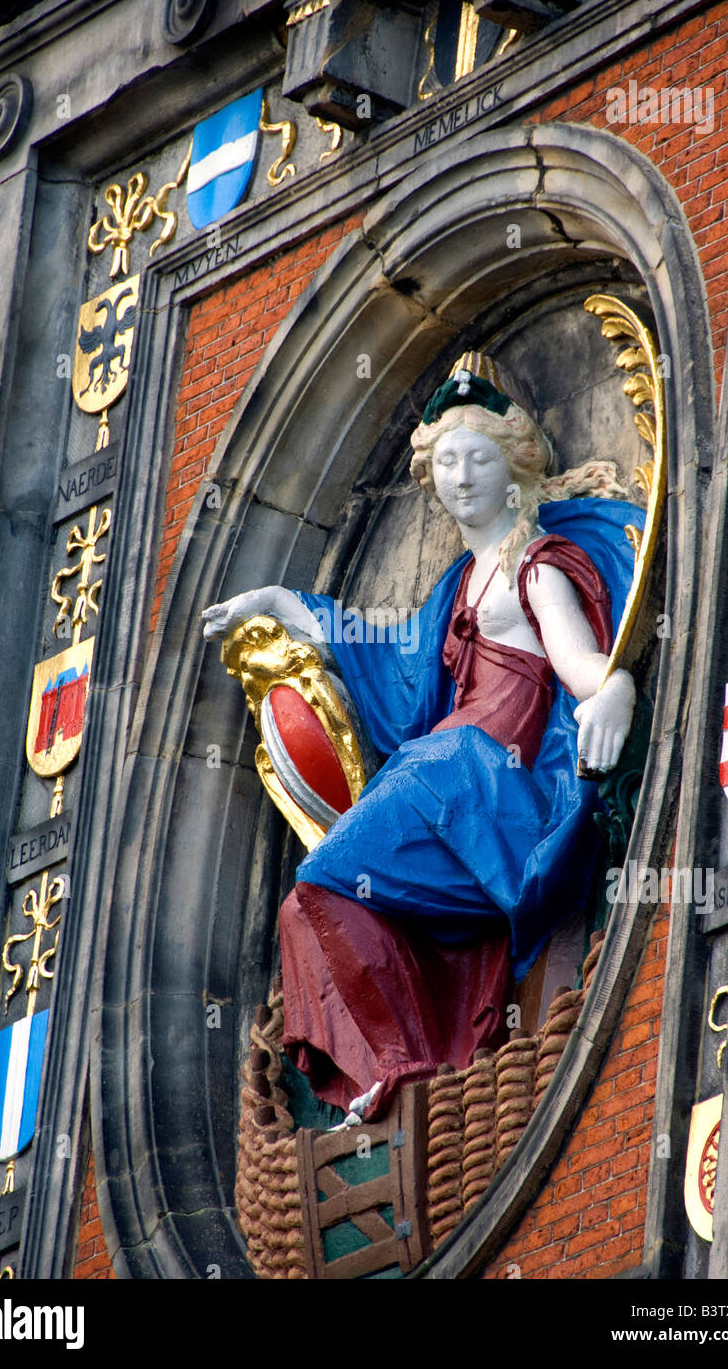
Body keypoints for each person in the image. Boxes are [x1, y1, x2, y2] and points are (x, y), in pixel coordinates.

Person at [203, 356, 642, 1120]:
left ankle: (403, 1058)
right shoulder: (455, 590)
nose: (461, 477)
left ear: (514, 472)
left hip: (483, 779)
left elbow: (582, 665)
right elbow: (389, 656)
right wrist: (279, 600)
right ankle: (404, 1060)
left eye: (478, 458)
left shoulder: (535, 569)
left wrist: (615, 691)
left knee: (324, 882)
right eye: (445, 462)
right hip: (440, 773)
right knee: (305, 908)